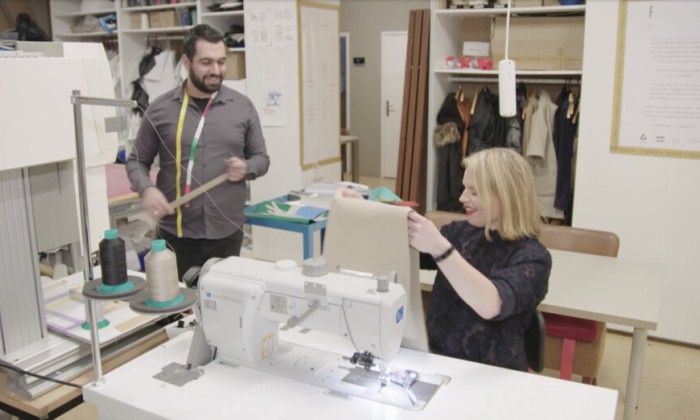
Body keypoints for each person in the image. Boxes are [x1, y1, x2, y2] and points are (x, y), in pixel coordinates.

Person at [127, 24, 270, 281]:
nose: (216, 70)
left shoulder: (243, 107)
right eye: (206, 62)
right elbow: (137, 161)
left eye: (221, 62)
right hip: (176, 234)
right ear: (186, 62)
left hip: (227, 232)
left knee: (224, 301)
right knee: (177, 303)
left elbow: (262, 158)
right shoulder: (159, 110)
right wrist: (146, 189)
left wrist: (247, 168)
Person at [407, 148, 550, 371]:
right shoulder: (459, 233)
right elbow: (407, 253)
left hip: (494, 376)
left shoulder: (533, 258)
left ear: (506, 195)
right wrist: (368, 208)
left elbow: (492, 304)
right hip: (439, 364)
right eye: (464, 188)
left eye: (474, 192)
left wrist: (440, 248)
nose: (462, 198)